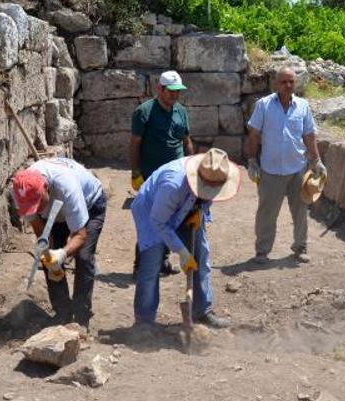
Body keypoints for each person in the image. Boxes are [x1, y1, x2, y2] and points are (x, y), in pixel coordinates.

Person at [131, 148, 239, 328]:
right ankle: (144, 322)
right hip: (153, 211)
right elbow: (158, 222)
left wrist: (200, 212)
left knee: (201, 256)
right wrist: (182, 252)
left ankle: (202, 311)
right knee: (151, 265)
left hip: (188, 208)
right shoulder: (172, 184)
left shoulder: (213, 171)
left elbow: (210, 194)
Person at [11, 157, 106, 328]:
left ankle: (81, 318)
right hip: (55, 214)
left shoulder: (66, 187)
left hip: (91, 203)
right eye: (31, 207)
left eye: (38, 204)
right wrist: (49, 255)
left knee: (84, 257)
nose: (37, 209)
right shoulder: (20, 190)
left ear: (46, 188)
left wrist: (62, 254)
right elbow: (40, 228)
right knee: (48, 259)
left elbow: (80, 234)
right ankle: (62, 313)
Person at [245, 67, 327, 265]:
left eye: (291, 81)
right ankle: (262, 251)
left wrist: (316, 160)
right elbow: (254, 135)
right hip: (270, 169)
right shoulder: (263, 106)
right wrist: (252, 160)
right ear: (276, 84)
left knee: (300, 212)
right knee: (266, 213)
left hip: (297, 168)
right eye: (284, 82)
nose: (288, 85)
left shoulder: (303, 106)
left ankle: (300, 248)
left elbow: (309, 135)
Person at [129, 70, 195, 276]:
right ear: (160, 89)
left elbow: (186, 141)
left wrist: (192, 166)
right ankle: (141, 265)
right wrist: (135, 172)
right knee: (150, 221)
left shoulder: (181, 112)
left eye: (178, 91)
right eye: (171, 91)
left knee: (171, 220)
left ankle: (162, 261)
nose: (175, 95)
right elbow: (134, 144)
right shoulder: (144, 112)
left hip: (177, 178)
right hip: (153, 177)